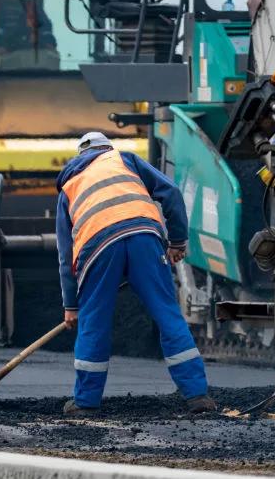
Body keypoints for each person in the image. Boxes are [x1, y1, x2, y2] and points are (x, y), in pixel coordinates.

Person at [55, 132, 215, 415]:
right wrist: (177, 241)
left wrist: (71, 305)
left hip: (97, 248)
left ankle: (85, 402)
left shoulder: (69, 184)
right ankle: (197, 395)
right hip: (144, 236)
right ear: (107, 148)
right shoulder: (124, 160)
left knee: (94, 322)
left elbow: (66, 255)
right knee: (168, 315)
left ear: (80, 157)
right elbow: (172, 193)